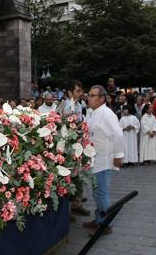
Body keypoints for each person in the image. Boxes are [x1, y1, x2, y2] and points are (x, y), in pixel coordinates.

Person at [82, 85, 124, 234]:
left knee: (101, 193)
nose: (89, 97)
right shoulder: (95, 112)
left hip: (104, 160)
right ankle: (99, 220)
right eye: (89, 95)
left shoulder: (106, 113)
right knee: (97, 192)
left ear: (102, 98)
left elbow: (118, 134)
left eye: (92, 95)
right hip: (96, 159)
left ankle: (105, 225)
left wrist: (119, 155)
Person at [56, 80, 90, 217]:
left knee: (78, 174)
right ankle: (65, 211)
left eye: (81, 91)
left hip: (78, 145)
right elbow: (58, 125)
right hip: (66, 147)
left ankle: (76, 204)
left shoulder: (78, 104)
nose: (80, 94)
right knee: (67, 176)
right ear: (69, 92)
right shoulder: (63, 105)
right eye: (77, 91)